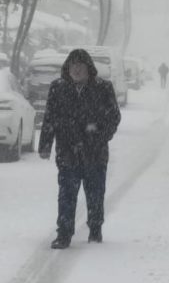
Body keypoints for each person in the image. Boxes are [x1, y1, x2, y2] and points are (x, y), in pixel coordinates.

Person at [38, 49, 122, 249]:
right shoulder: (58, 88)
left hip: (95, 153)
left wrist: (99, 135)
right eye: (72, 65)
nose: (76, 69)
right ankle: (64, 233)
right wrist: (45, 145)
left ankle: (95, 228)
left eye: (80, 66)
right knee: (66, 193)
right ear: (67, 68)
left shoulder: (103, 88)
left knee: (95, 194)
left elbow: (114, 117)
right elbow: (49, 117)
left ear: (88, 68)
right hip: (67, 151)